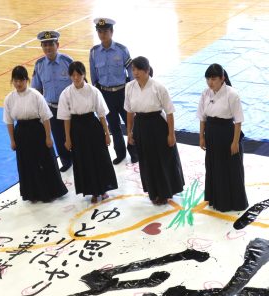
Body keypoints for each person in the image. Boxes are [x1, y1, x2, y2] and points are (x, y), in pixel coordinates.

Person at [125, 56, 185, 205]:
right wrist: (129, 132)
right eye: (133, 69)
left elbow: (169, 112)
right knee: (146, 159)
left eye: (138, 69)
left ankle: (165, 192)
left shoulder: (158, 87)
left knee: (161, 159)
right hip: (140, 125)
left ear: (146, 70)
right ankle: (153, 190)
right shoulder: (129, 87)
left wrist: (171, 134)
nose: (135, 72)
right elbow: (129, 112)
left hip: (157, 124)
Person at [3, 65, 68, 202]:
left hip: (37, 131)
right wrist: (12, 140)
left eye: (21, 80)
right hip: (20, 132)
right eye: (15, 80)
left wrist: (48, 137)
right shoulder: (9, 98)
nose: (18, 83)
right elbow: (9, 121)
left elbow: (45, 117)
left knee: (45, 162)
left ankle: (50, 192)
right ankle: (32, 194)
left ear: (27, 80)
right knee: (27, 164)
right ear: (12, 81)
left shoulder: (36, 95)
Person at [58, 61, 118, 203]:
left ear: (84, 74)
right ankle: (93, 192)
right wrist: (67, 138)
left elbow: (101, 114)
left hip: (93, 126)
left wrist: (107, 133)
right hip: (76, 129)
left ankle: (103, 189)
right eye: (73, 75)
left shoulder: (93, 90)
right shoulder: (66, 93)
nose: (76, 78)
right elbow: (66, 118)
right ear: (70, 76)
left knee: (100, 158)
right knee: (83, 160)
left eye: (78, 74)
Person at [197, 63, 248, 212]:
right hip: (211, 133)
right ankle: (215, 198)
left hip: (227, 133)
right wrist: (201, 136)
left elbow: (238, 121)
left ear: (222, 78)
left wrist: (235, 142)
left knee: (230, 168)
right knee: (213, 166)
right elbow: (202, 117)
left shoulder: (232, 94)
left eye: (213, 79)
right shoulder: (205, 93)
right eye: (208, 79)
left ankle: (232, 201)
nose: (210, 82)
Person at [89, 18, 137, 164]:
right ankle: (120, 153)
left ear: (112, 32)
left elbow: (131, 72)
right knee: (114, 126)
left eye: (105, 31)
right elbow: (93, 75)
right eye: (100, 31)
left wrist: (130, 91)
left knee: (130, 124)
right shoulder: (94, 52)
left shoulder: (122, 50)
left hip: (122, 93)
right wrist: (99, 94)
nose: (102, 34)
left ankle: (135, 152)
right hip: (105, 94)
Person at [32, 30, 73, 171]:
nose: (48, 48)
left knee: (74, 134)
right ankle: (66, 161)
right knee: (58, 136)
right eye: (45, 45)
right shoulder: (39, 65)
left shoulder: (67, 61)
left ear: (57, 45)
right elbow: (36, 89)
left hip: (69, 107)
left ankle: (79, 158)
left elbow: (79, 83)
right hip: (51, 107)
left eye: (51, 44)